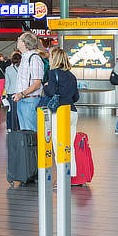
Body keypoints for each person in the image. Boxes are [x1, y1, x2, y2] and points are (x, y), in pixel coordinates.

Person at [43, 48, 80, 179]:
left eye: (51, 57)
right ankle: (71, 176)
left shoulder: (53, 73)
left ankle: (61, 178)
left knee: (58, 145)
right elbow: (76, 97)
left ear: (55, 59)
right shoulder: (72, 76)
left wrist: (46, 86)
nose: (49, 59)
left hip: (59, 113)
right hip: (72, 112)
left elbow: (51, 91)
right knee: (69, 146)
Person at [13, 32, 44, 132]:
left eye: (20, 39)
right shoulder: (25, 58)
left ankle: (34, 148)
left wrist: (22, 94)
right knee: (25, 133)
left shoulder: (34, 58)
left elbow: (37, 84)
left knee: (31, 133)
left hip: (30, 101)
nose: (17, 40)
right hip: (23, 100)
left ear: (25, 43)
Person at [4, 52, 21, 132]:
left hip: (11, 91)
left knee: (11, 111)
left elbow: (7, 82)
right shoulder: (22, 68)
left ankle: (11, 128)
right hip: (21, 92)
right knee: (19, 111)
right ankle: (19, 127)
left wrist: (6, 92)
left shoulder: (8, 69)